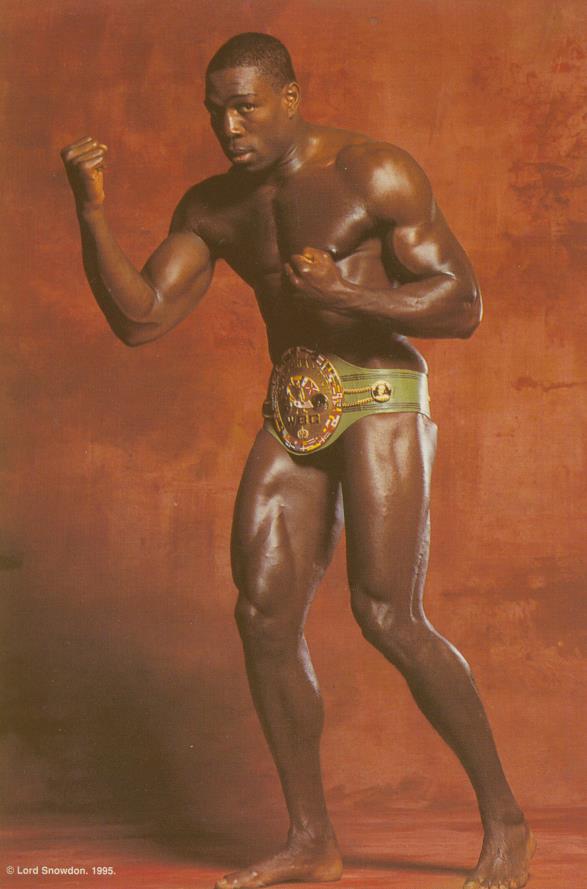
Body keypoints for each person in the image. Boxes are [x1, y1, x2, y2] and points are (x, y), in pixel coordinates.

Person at [61, 32, 535, 889]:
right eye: (216, 112)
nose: (229, 127)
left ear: (288, 97)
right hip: (296, 398)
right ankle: (311, 838)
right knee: (262, 615)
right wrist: (91, 211)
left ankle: (504, 817)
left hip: (382, 391)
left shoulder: (370, 172)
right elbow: (140, 318)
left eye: (244, 107)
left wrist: (348, 291)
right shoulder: (212, 208)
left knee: (386, 613)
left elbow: (461, 303)